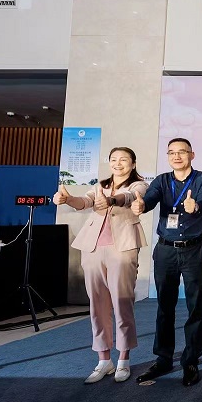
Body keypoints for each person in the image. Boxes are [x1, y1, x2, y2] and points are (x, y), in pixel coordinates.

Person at [53, 147, 147, 384]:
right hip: (92, 249)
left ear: (133, 164)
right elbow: (85, 202)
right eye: (114, 159)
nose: (118, 163)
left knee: (122, 303)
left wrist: (111, 200)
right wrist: (67, 199)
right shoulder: (100, 185)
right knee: (97, 305)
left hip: (122, 249)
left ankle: (124, 359)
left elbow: (129, 198)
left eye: (123, 159)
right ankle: (104, 360)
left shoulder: (139, 185)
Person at [132, 138, 202, 387]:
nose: (176, 156)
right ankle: (163, 358)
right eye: (171, 153)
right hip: (166, 250)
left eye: (182, 152)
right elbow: (149, 200)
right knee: (164, 307)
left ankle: (191, 360)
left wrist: (195, 205)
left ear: (192, 154)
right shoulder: (161, 180)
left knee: (195, 307)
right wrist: (141, 205)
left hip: (193, 250)